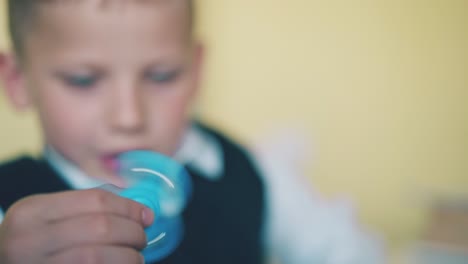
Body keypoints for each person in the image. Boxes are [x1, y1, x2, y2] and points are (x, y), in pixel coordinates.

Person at [0, 1, 383, 263]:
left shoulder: (251, 174)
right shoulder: (8, 214)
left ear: (197, 69)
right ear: (18, 80)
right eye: (83, 80)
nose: (129, 117)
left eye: (162, 76)